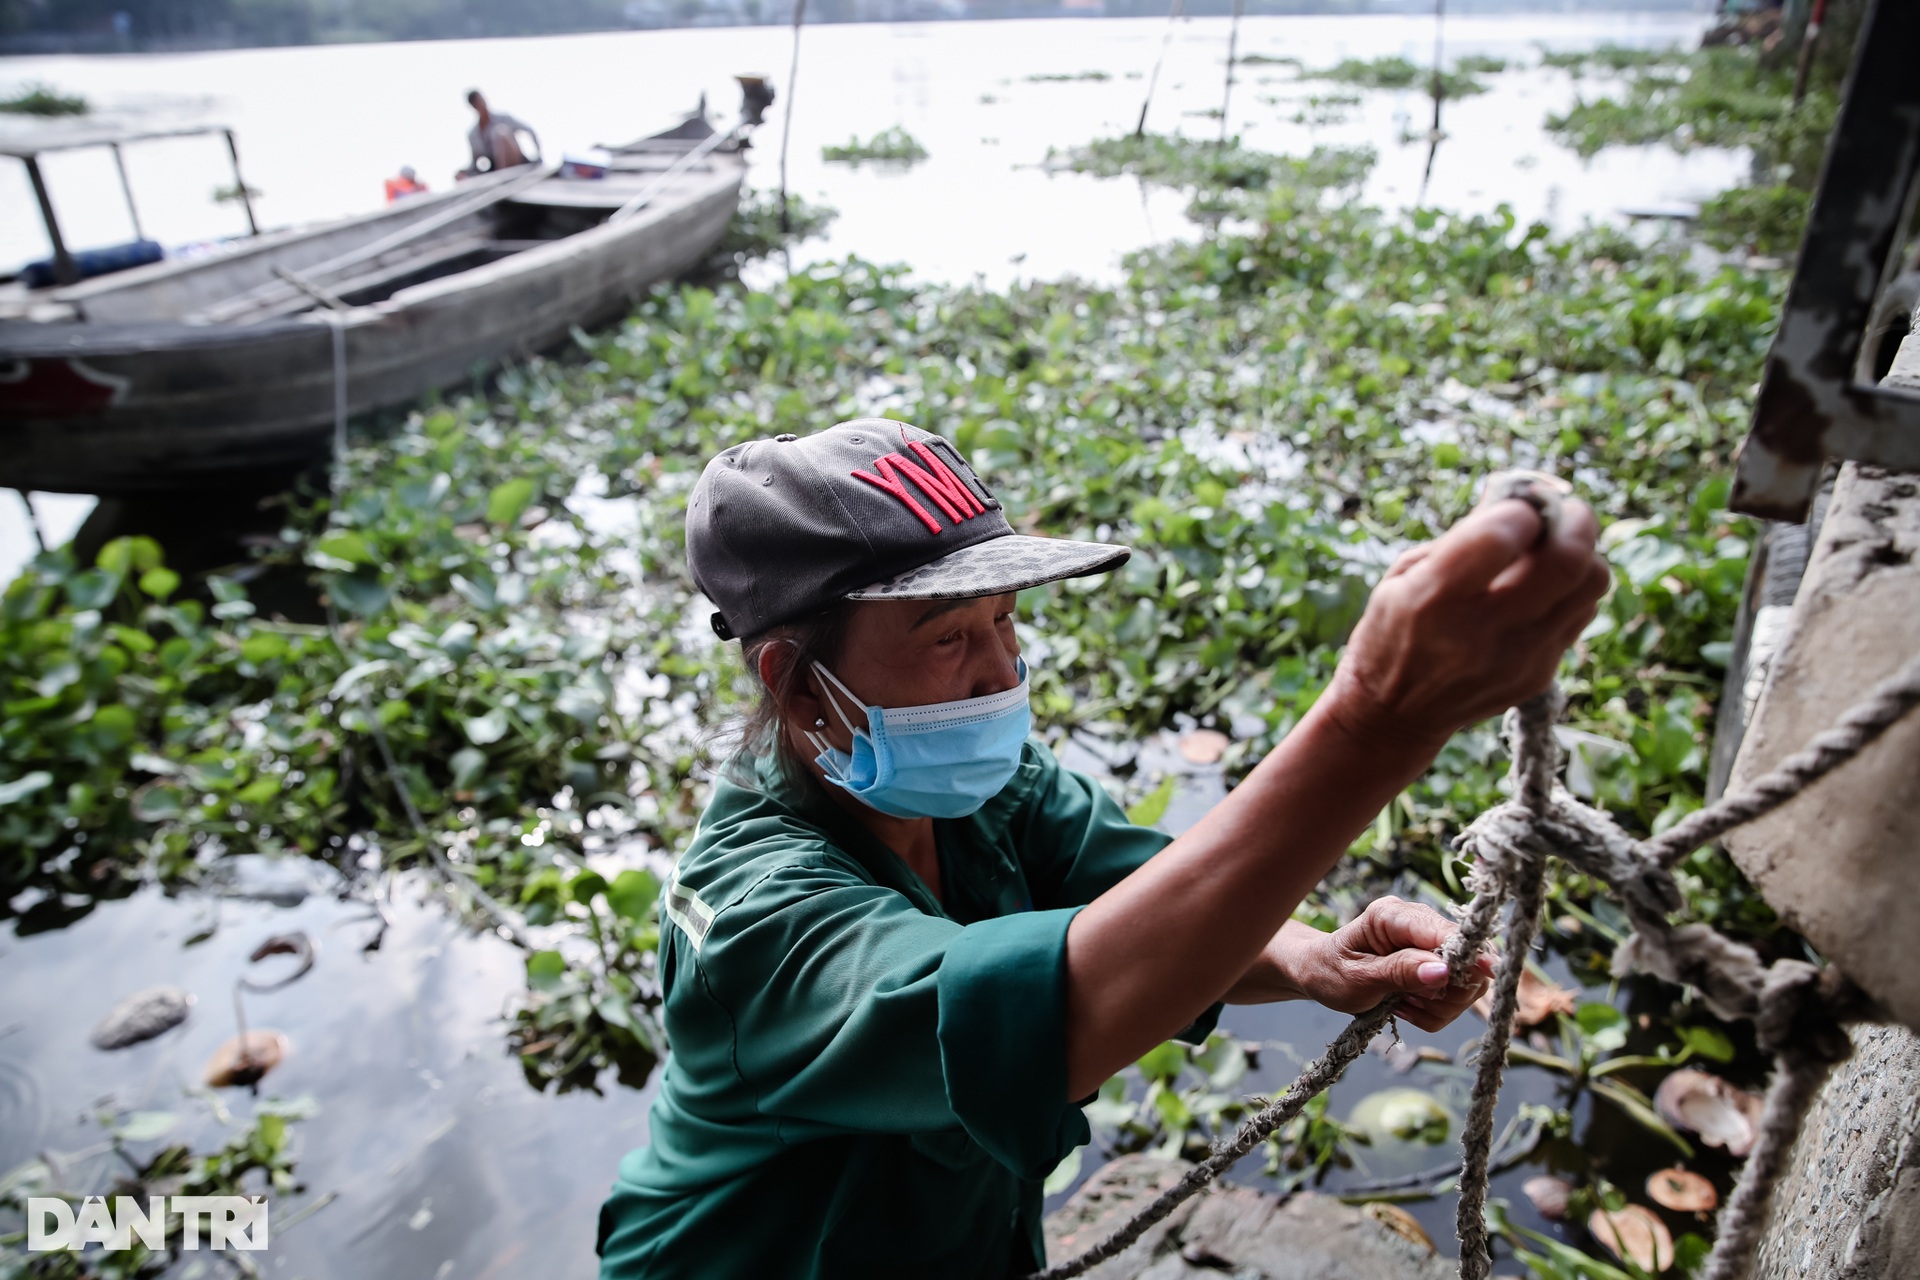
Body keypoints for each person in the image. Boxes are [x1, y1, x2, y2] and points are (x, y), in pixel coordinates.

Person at [596, 420, 1610, 1279]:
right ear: (794, 677)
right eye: (949, 637)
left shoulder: (978, 787)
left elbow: (1145, 895)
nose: (1002, 673)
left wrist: (1309, 957)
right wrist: (1375, 722)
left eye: (1006, 618)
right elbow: (1046, 1014)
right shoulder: (751, 913)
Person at [463, 90, 540, 177]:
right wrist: (465, 172)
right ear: (474, 107)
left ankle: (502, 174)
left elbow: (529, 130)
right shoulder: (473, 135)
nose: (482, 104)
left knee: (500, 133)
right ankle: (500, 175)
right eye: (478, 102)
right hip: (493, 169)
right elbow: (475, 161)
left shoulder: (503, 118)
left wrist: (538, 155)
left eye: (482, 100)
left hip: (516, 160)